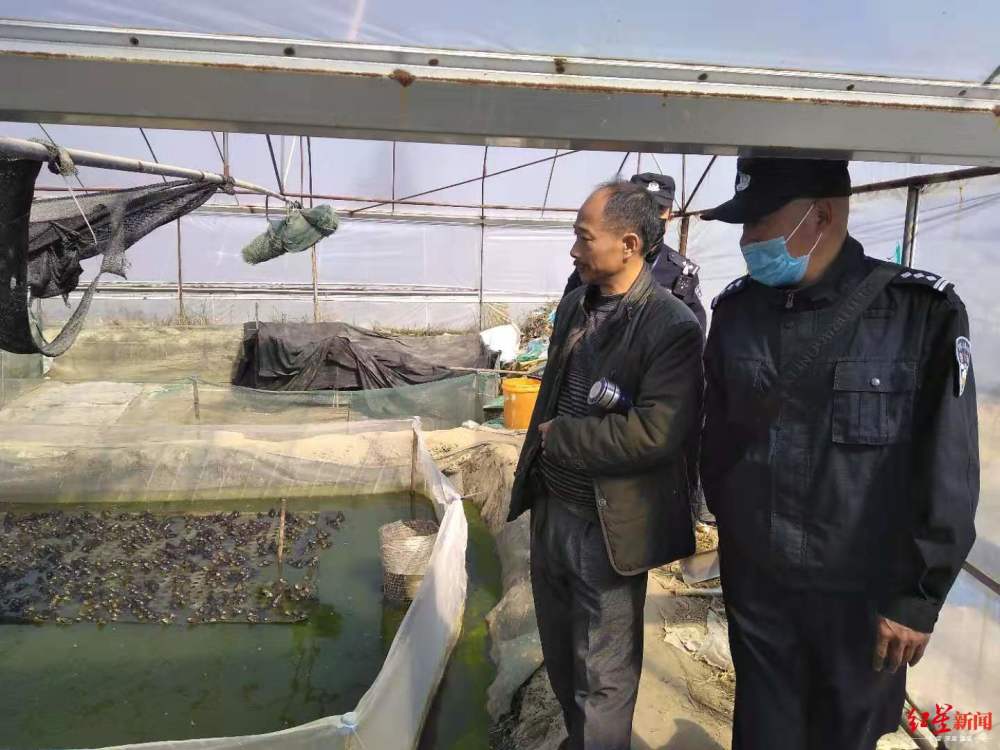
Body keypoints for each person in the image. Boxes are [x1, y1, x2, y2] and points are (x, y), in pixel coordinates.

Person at [700, 157, 979, 750]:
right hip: (761, 595)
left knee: (843, 739)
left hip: (863, 603)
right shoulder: (737, 313)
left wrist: (917, 597)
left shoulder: (919, 314)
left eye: (758, 222)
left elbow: (949, 468)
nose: (746, 240)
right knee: (763, 735)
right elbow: (717, 439)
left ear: (821, 217)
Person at [508, 180, 704, 749]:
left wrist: (563, 437)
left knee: (603, 674)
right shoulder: (576, 304)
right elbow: (553, 392)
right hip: (552, 509)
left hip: (607, 528)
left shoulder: (671, 325)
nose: (574, 250)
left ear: (629, 243)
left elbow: (656, 433)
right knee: (560, 652)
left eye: (583, 237)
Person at [563, 172, 706, 330]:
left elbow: (693, 330)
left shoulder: (681, 272)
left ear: (670, 217)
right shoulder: (596, 265)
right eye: (641, 208)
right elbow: (568, 320)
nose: (649, 216)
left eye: (658, 209)